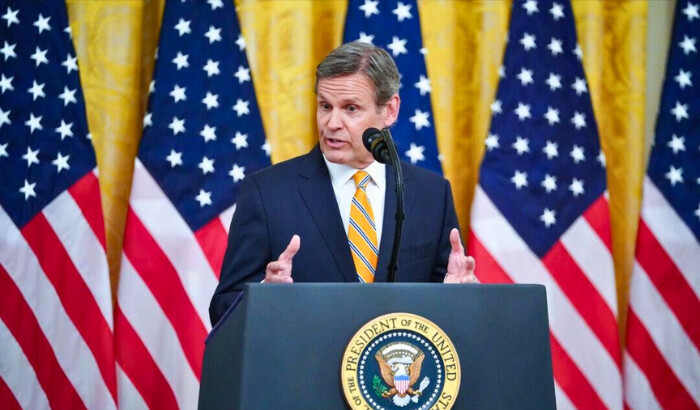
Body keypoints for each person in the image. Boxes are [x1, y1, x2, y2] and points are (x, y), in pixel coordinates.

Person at [209, 41, 476, 326]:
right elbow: (223, 308)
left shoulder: (432, 194)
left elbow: (448, 313)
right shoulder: (267, 193)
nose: (332, 123)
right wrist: (264, 297)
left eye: (350, 108)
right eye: (325, 106)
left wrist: (458, 294)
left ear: (389, 110)